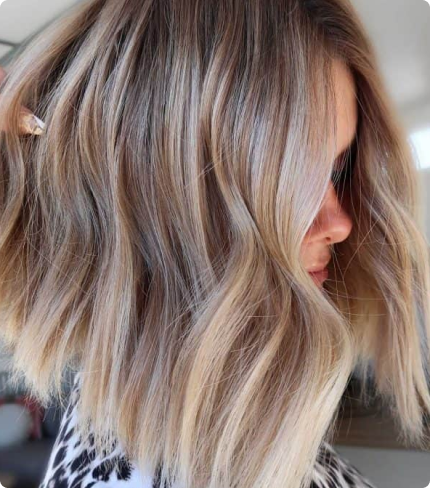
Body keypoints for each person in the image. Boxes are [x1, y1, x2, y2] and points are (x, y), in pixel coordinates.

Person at [0, 0, 429, 487]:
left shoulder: (190, 417)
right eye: (285, 181)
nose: (340, 223)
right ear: (156, 209)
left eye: (336, 170)